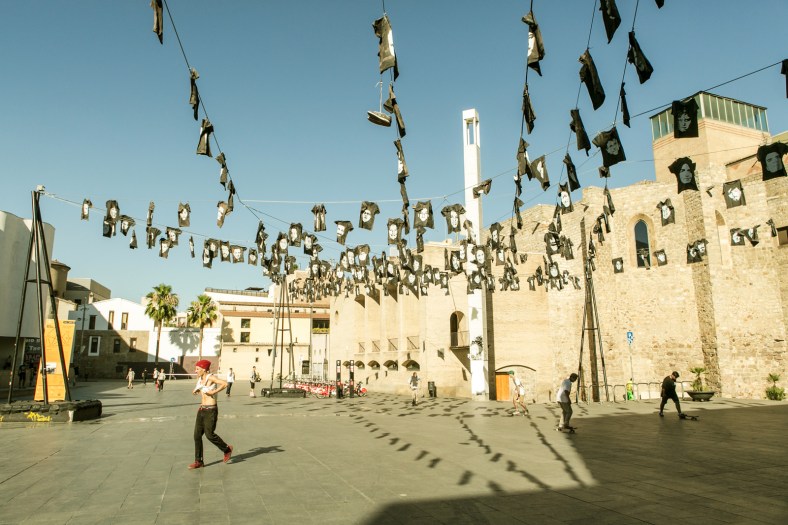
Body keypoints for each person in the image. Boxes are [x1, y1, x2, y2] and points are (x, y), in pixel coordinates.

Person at [189, 360, 233, 470]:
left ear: (204, 369)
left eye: (197, 369)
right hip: (202, 409)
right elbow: (200, 390)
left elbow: (225, 384)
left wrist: (214, 392)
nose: (195, 371)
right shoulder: (200, 379)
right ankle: (199, 461)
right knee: (197, 435)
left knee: (209, 434)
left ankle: (227, 449)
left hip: (211, 410)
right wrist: (196, 391)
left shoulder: (211, 377)